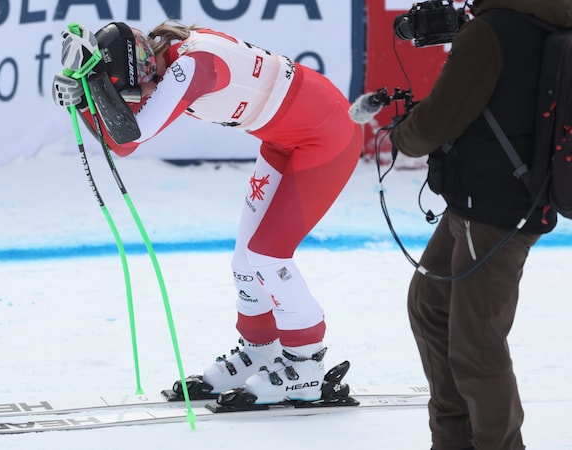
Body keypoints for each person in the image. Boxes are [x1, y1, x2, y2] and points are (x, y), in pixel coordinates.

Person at [53, 21, 362, 404]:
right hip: (287, 139)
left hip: (326, 136)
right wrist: (88, 94)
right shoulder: (168, 62)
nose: (135, 100)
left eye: (130, 91)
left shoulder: (190, 67)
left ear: (142, 71)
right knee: (245, 259)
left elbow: (128, 137)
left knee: (267, 253)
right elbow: (124, 134)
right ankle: (262, 347)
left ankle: (306, 363)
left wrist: (89, 96)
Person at [386, 0, 572, 448]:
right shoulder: (544, 21)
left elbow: (434, 123)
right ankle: (454, 438)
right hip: (501, 201)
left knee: (475, 342)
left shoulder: (491, 31)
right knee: (430, 306)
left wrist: (401, 133)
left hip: (490, 207)